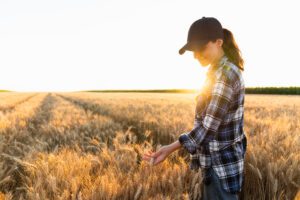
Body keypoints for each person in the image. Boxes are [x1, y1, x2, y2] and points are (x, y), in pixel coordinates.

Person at [142, 16, 247, 200]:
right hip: (215, 165)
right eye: (193, 50)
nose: (196, 55)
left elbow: (207, 130)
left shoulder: (225, 75)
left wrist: (169, 148)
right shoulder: (215, 72)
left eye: (201, 48)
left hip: (221, 167)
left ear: (219, 42)